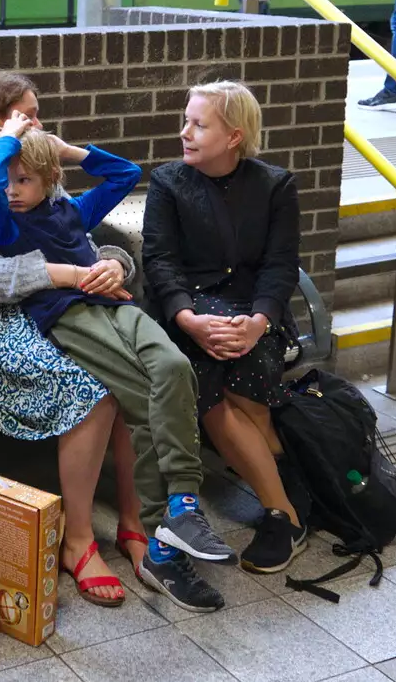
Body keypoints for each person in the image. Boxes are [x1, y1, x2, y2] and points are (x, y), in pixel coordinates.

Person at [0, 72, 234, 615]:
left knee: (148, 370)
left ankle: (141, 524)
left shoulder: (43, 173)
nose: (37, 123)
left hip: (78, 303)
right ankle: (79, 540)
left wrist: (112, 265)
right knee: (94, 385)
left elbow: (83, 239)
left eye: (36, 113)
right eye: (26, 114)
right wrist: (69, 275)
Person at [142, 81, 308, 574]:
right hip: (188, 313)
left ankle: (282, 506)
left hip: (253, 314)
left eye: (199, 124)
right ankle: (288, 506)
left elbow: (281, 267)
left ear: (234, 137)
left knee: (247, 362)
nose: (184, 132)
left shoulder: (275, 185)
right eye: (186, 120)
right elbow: (160, 262)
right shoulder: (169, 182)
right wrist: (190, 322)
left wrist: (258, 322)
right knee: (209, 375)